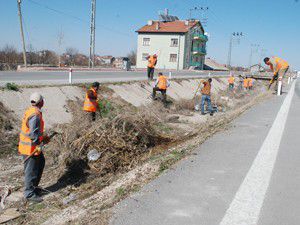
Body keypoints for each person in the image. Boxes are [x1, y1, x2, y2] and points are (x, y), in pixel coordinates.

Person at [19, 92, 50, 203]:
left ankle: (34, 188)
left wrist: (43, 138)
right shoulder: (35, 115)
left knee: (40, 163)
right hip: (30, 148)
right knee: (31, 171)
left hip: (31, 146)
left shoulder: (31, 110)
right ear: (41, 102)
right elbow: (33, 134)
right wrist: (39, 143)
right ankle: (29, 193)